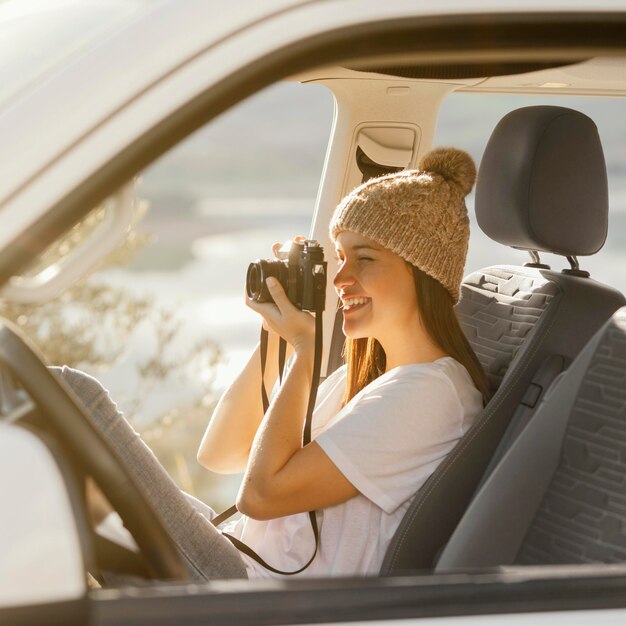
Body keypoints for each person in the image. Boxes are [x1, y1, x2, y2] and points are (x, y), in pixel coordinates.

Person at [63, 146, 489, 581]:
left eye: (365, 258)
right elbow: (222, 453)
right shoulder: (368, 381)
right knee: (67, 460)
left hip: (253, 593)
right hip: (238, 557)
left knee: (73, 398)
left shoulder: (428, 395)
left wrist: (306, 352)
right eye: (340, 258)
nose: (341, 280)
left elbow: (261, 497)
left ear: (424, 271)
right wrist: (276, 340)